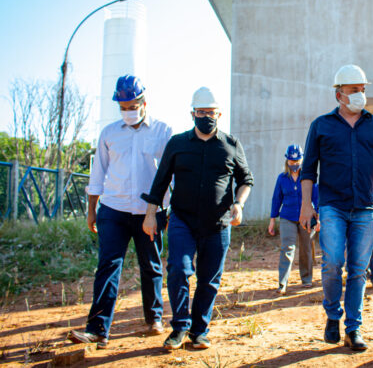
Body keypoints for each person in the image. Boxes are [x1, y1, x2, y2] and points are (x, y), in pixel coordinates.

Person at [300, 64, 373, 351]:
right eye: (354, 90)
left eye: (362, 90)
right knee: (333, 263)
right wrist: (307, 205)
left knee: (359, 270)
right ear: (339, 94)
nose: (360, 95)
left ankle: (353, 328)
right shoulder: (321, 125)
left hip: (367, 210)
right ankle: (333, 315)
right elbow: (309, 170)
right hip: (332, 206)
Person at [141, 86, 253, 350]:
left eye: (210, 112)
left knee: (209, 279)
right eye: (201, 112)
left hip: (218, 224)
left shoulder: (231, 144)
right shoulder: (177, 143)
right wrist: (149, 216)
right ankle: (180, 326)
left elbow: (246, 179)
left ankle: (199, 331)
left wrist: (239, 203)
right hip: (182, 220)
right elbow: (161, 181)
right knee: (178, 269)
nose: (206, 116)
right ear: (192, 114)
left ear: (219, 113)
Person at [68, 75, 172, 349]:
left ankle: (154, 317)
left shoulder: (163, 132)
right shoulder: (109, 133)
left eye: (132, 105)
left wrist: (171, 211)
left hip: (149, 213)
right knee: (108, 266)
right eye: (123, 106)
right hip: (112, 210)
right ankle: (98, 329)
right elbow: (98, 173)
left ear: (143, 102)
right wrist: (92, 210)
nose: (128, 111)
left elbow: (172, 174)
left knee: (150, 266)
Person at [268, 144, 319, 294]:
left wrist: (319, 216)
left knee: (306, 248)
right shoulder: (282, 178)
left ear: (302, 160)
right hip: (287, 217)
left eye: (297, 161)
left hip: (306, 218)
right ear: (287, 161)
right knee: (287, 249)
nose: (294, 164)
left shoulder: (309, 177)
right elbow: (276, 199)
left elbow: (317, 198)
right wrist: (272, 219)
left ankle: (307, 279)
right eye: (291, 161)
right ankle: (282, 283)